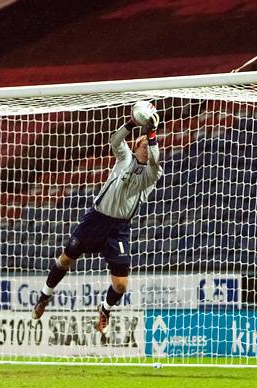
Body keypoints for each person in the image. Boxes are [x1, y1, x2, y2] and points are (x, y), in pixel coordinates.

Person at [31, 104, 162, 337]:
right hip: (96, 219)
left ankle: (105, 309)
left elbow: (155, 159)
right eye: (141, 146)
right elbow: (115, 141)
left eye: (147, 147)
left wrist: (151, 134)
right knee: (66, 259)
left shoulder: (154, 174)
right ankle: (45, 295)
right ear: (135, 147)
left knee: (121, 285)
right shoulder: (124, 158)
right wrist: (132, 123)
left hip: (119, 229)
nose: (145, 151)